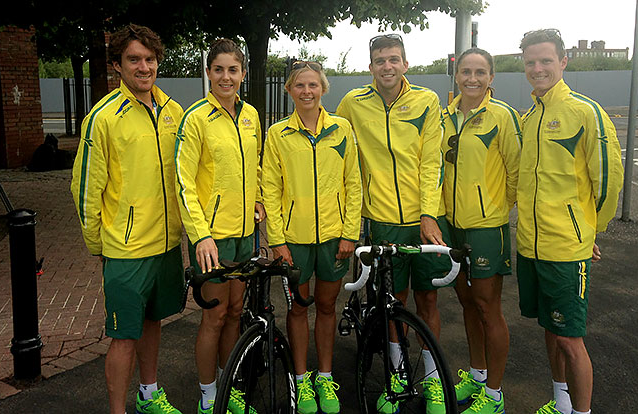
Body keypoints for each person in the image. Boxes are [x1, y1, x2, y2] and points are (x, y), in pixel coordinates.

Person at [70, 24, 184, 414]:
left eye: (149, 59)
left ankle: (149, 394)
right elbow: (86, 188)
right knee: (123, 336)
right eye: (134, 59)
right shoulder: (103, 117)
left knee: (153, 322)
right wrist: (97, 244)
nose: (143, 67)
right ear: (117, 65)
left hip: (167, 244)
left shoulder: (174, 111)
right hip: (126, 249)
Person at [336, 34, 449, 414]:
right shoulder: (353, 103)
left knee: (428, 299)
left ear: (405, 64)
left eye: (394, 59)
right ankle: (399, 376)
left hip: (425, 220)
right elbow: (337, 149)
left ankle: (433, 380)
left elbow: (433, 161)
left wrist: (428, 213)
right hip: (381, 220)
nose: (387, 66)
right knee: (392, 302)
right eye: (380, 60)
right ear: (371, 66)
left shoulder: (427, 101)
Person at [517, 29, 623, 414]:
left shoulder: (585, 111)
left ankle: (582, 411)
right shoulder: (528, 117)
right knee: (551, 326)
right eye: (531, 62)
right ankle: (561, 401)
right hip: (530, 244)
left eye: (546, 60)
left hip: (566, 247)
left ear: (564, 61)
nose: (538, 68)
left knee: (570, 339)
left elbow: (608, 181)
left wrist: (591, 230)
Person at [261, 61, 362, 414]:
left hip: (335, 238)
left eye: (313, 85)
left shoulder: (342, 128)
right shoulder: (277, 134)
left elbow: (353, 183)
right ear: (289, 90)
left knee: (327, 307)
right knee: (298, 308)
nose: (307, 91)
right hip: (294, 239)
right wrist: (277, 240)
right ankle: (302, 380)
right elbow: (270, 190)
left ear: (323, 89)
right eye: (300, 85)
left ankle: (324, 375)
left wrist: (351, 233)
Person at [174, 38, 264, 414]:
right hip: (213, 238)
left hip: (245, 234)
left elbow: (253, 165)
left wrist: (257, 197)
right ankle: (210, 395)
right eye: (218, 69)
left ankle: (231, 387)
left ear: (242, 74)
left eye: (233, 70)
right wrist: (201, 235)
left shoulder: (250, 115)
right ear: (208, 73)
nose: (226, 77)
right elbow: (183, 181)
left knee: (235, 310)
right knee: (213, 316)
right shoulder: (196, 118)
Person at [440, 47, 522, 414]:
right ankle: (476, 374)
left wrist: (494, 207)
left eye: (480, 72)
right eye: (466, 71)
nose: (472, 78)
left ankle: (494, 395)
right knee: (467, 304)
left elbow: (517, 173)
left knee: (490, 309)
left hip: (487, 228)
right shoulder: (444, 117)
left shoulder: (502, 117)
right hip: (452, 227)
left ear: (492, 77)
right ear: (456, 75)